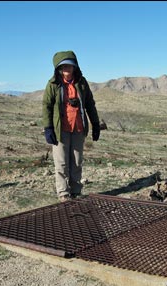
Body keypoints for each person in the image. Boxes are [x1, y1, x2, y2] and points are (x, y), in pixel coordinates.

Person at [42, 50, 101, 202]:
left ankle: (75, 191)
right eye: (63, 67)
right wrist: (48, 128)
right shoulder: (53, 84)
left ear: (75, 67)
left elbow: (89, 104)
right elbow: (46, 106)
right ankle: (63, 193)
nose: (66, 69)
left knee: (76, 162)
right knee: (61, 163)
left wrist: (95, 123)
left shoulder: (81, 83)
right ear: (58, 69)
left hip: (78, 128)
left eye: (69, 66)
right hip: (60, 130)